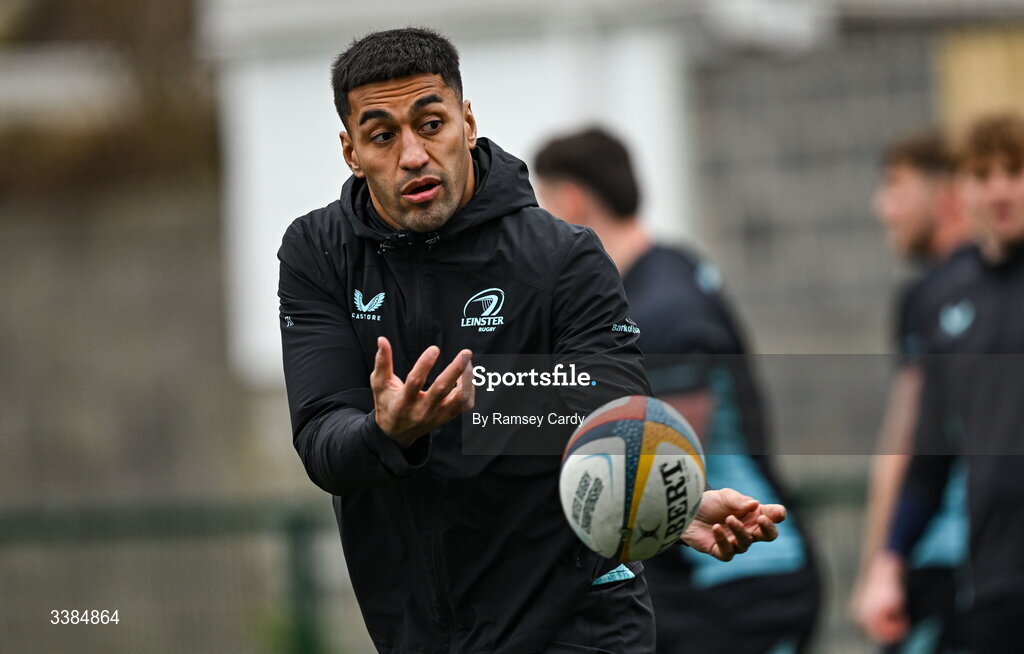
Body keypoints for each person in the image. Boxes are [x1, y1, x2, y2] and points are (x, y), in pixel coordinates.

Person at [277, 27, 787, 653]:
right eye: (383, 135)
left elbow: (609, 408)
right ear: (351, 150)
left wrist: (659, 497)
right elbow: (324, 441)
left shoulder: (562, 255)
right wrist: (386, 433)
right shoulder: (318, 254)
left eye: (431, 123)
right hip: (419, 635)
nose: (413, 154)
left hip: (580, 624)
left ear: (466, 121)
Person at [534, 127, 820, 654]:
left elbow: (660, 469)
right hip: (711, 586)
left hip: (737, 584)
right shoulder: (665, 272)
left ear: (571, 200)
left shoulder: (661, 310)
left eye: (545, 208)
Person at [884, 112, 1024, 652]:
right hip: (991, 574)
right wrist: (890, 561)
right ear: (962, 191)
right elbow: (930, 457)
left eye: (1014, 171)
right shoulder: (944, 303)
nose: (1000, 189)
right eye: (984, 174)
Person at [851, 129, 970, 653]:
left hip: (944, 560)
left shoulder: (933, 297)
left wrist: (879, 567)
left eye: (896, 187)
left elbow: (903, 445)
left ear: (944, 195)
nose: (884, 208)